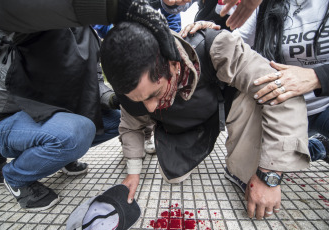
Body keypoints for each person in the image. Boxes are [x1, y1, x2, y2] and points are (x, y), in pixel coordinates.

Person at [100, 0, 310, 220]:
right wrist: (133, 172)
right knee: (174, 176)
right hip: (180, 128)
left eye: (155, 93)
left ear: (174, 63)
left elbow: (283, 93)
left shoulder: (216, 46)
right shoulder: (130, 87)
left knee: (257, 98)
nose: (151, 108)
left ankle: (248, 161)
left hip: (222, 111)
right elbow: (130, 125)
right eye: (140, 99)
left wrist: (269, 175)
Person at [0, 0, 159, 211]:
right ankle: (15, 177)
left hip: (51, 112)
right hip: (8, 116)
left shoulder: (88, 35)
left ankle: (61, 157)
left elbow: (95, 80)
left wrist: (114, 98)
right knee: (78, 131)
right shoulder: (27, 21)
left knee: (116, 118)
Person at [231, 0, 329, 171]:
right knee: (244, 168)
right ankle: (318, 147)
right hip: (283, 107)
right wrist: (209, 35)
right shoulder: (264, 4)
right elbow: (234, 43)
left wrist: (316, 77)